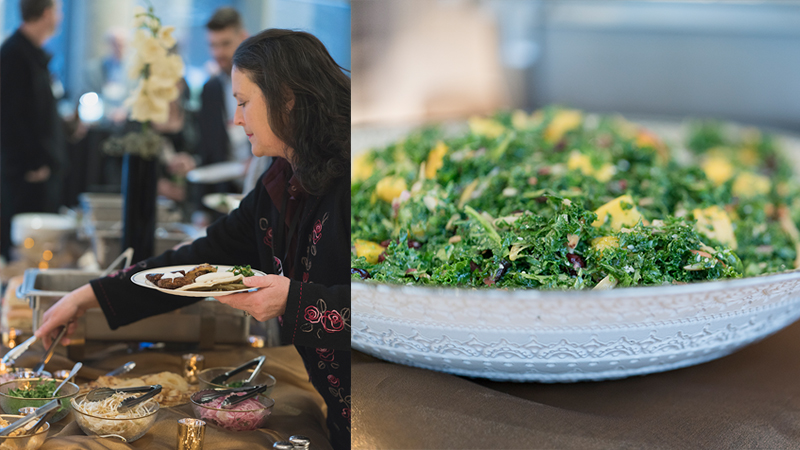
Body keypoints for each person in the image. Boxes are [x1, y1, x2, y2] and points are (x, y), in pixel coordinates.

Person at [35, 29, 351, 449]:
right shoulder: (278, 183)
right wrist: (88, 296)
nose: (236, 119)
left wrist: (292, 301)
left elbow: (387, 311)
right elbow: (200, 259)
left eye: (243, 103)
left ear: (288, 98)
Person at [0, 0, 66, 261]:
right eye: (58, 10)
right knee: (22, 251)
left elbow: (35, 111)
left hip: (37, 168)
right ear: (48, 14)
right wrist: (34, 162)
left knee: (40, 252)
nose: (60, 17)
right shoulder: (14, 54)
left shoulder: (33, 53)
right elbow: (10, 117)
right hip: (26, 172)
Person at [197, 7, 270, 196]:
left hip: (264, 183)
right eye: (213, 45)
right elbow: (208, 150)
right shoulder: (210, 89)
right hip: (225, 190)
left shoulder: (265, 83)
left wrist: (255, 161)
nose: (218, 52)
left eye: (225, 44)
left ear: (244, 38)